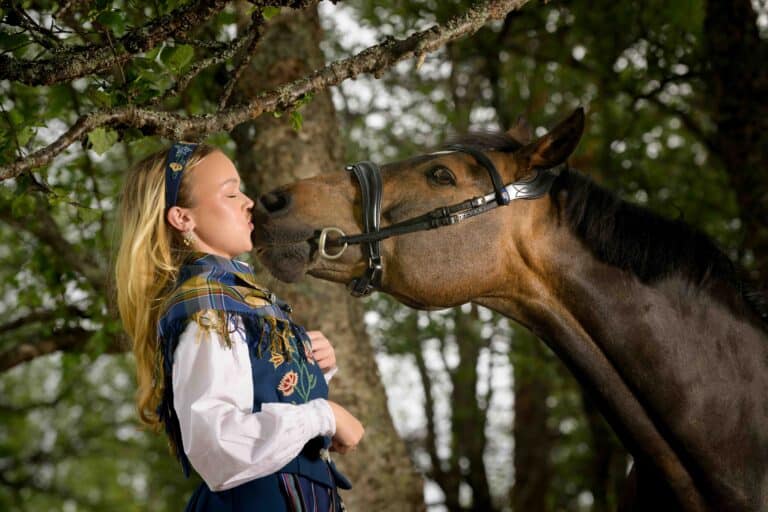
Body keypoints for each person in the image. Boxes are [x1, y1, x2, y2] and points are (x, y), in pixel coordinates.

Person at [114, 142, 364, 511]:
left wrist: (309, 361)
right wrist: (325, 415)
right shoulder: (207, 308)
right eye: (230, 192)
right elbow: (218, 445)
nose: (248, 201)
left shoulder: (232, 299)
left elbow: (258, 395)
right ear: (183, 218)